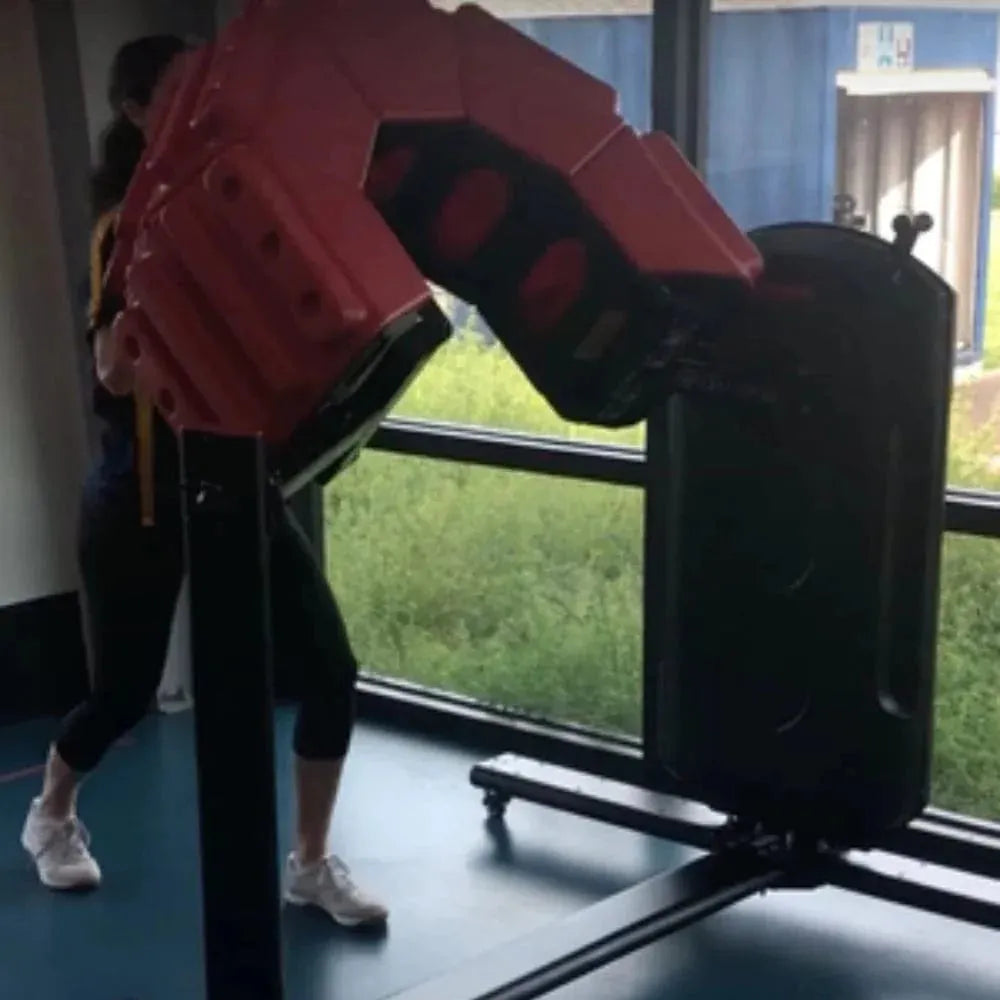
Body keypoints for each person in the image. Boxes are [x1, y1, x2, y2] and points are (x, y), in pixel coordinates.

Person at [20, 35, 388, 929]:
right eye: (180, 93)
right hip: (141, 493)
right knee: (122, 697)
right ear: (139, 113)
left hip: (239, 484)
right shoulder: (124, 227)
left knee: (330, 670)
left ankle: (309, 863)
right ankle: (51, 814)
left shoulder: (238, 201)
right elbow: (112, 371)